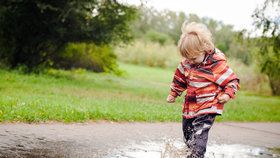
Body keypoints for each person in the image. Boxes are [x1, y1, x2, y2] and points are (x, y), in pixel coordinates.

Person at [166, 21, 240, 158]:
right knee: (188, 135)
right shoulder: (187, 63)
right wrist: (174, 93)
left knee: (199, 135)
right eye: (187, 58)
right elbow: (179, 79)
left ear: (204, 49)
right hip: (190, 106)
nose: (190, 61)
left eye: (193, 58)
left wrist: (227, 95)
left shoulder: (216, 65)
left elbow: (232, 80)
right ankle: (190, 153)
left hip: (208, 106)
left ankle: (197, 155)